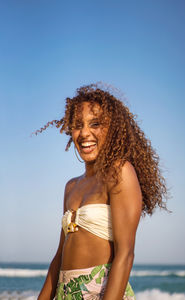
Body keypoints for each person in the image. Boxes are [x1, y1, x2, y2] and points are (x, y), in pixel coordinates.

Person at [36, 83, 168, 300]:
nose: (84, 133)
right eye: (78, 125)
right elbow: (59, 257)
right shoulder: (71, 186)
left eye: (95, 124)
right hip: (65, 293)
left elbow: (125, 255)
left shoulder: (119, 172)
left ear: (112, 128)